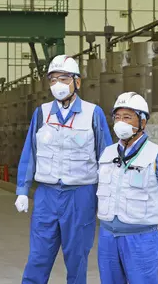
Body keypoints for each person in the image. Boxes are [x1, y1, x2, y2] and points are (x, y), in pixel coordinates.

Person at [15, 54, 112, 284]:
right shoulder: (42, 113)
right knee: (38, 256)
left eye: (63, 78)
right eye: (53, 79)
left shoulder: (92, 114)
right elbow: (30, 152)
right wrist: (22, 188)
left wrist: (107, 197)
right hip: (46, 195)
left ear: (77, 82)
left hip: (81, 195)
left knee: (77, 259)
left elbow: (106, 158)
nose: (57, 84)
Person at [96, 92, 158, 284]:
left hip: (141, 238)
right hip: (108, 237)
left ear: (142, 122)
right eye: (117, 117)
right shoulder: (107, 153)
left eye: (127, 117)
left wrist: (157, 221)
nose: (120, 122)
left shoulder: (157, 155)